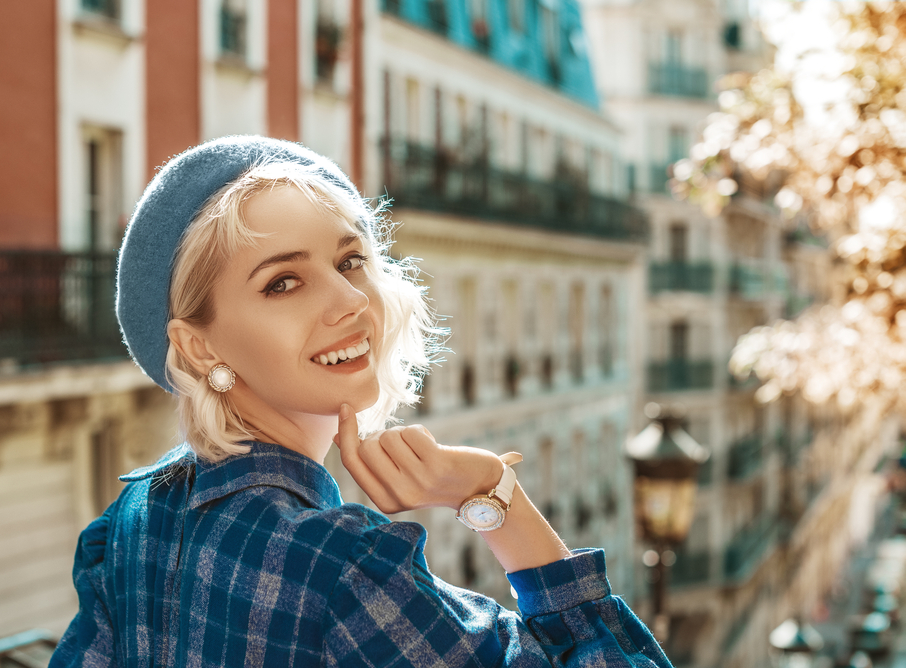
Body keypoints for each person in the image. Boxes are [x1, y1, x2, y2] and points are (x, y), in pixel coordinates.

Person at [50, 136, 673, 667]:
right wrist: (494, 495)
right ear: (197, 347)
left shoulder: (134, 516)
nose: (349, 301)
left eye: (350, 261)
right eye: (283, 282)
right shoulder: (343, 570)